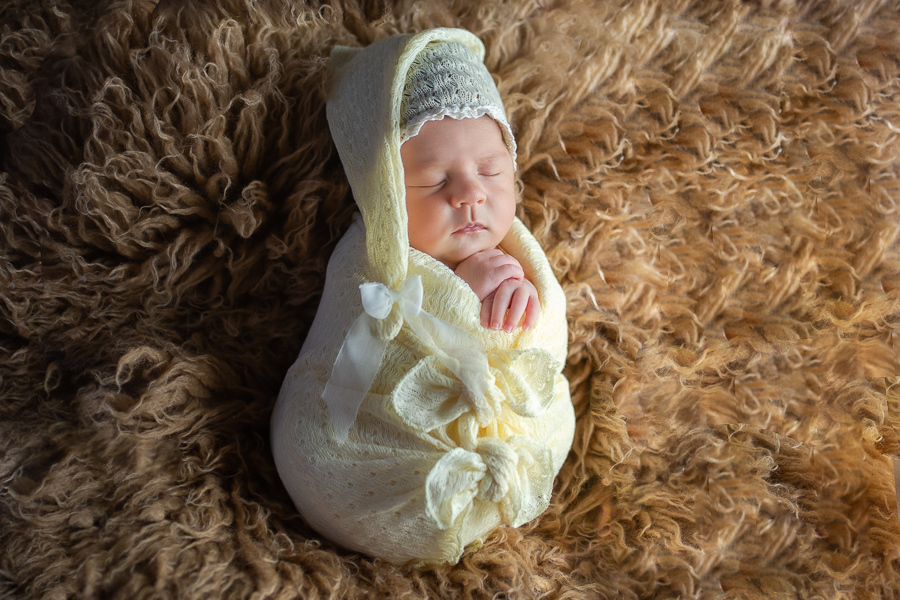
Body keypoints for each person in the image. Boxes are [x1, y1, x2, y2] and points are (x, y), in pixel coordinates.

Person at [271, 28, 575, 565]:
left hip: (494, 449)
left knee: (551, 413)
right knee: (306, 441)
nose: (470, 194)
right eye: (435, 181)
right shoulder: (366, 261)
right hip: (366, 447)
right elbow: (359, 350)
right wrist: (459, 300)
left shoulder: (515, 254)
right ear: (385, 194)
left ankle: (485, 485)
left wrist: (517, 297)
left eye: (490, 171)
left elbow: (540, 341)